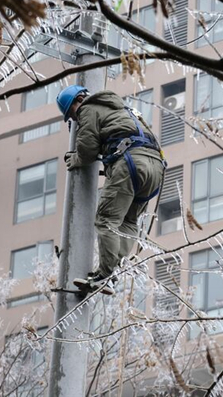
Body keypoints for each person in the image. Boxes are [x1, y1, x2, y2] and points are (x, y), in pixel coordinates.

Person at [56, 85, 166, 295]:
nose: (75, 118)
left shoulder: (88, 108)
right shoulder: (126, 109)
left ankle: (105, 275)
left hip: (130, 163)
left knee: (106, 220)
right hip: (155, 168)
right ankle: (111, 271)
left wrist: (76, 158)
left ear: (79, 99)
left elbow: (87, 148)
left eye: (72, 113)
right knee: (127, 221)